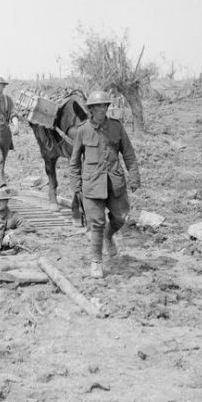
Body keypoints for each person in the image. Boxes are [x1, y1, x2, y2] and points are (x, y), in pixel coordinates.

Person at [69, 90, 141, 279]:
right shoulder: (83, 130)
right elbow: (74, 161)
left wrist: (134, 177)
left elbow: (129, 154)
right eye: (97, 106)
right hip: (92, 185)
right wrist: (76, 186)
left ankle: (109, 235)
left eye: (104, 106)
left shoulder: (116, 128)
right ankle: (96, 261)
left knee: (120, 217)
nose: (101, 109)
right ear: (90, 109)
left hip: (115, 183)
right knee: (97, 223)